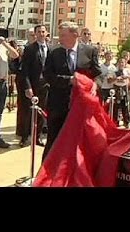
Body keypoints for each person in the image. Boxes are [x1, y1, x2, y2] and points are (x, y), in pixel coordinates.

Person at [42, 21, 102, 161]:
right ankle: (47, 173)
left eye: (63, 35)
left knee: (78, 141)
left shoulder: (90, 51)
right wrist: (69, 80)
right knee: (54, 140)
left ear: (75, 35)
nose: (60, 38)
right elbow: (48, 75)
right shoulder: (53, 52)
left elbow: (97, 74)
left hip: (81, 106)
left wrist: (94, 85)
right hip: (58, 105)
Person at [21, 25, 51, 147]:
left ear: (46, 33)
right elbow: (25, 70)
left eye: (43, 32)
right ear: (35, 34)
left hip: (45, 85)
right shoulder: (29, 49)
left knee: (41, 112)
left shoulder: (50, 49)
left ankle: (37, 137)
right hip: (32, 85)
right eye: (39, 32)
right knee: (27, 112)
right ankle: (24, 137)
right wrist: (27, 87)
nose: (41, 34)